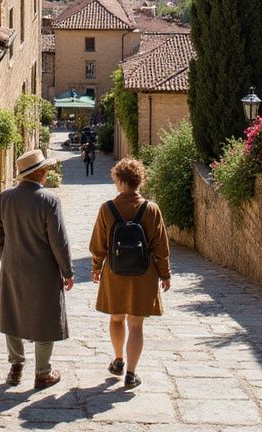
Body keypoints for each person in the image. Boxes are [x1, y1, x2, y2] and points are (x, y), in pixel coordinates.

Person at [0, 148, 74, 390]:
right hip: (44, 269)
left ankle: (16, 366)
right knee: (45, 316)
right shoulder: (49, 201)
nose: (47, 173)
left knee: (12, 313)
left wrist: (7, 255)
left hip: (12, 267)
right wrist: (67, 272)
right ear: (39, 173)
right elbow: (59, 240)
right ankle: (43, 372)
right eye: (45, 169)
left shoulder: (5, 198)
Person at [89, 157, 171, 390]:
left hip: (114, 273)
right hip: (144, 274)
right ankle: (131, 374)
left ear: (120, 180)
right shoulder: (151, 209)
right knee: (136, 324)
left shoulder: (107, 209)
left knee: (116, 317)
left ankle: (118, 360)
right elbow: (161, 247)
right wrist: (165, 274)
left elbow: (98, 246)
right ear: (138, 181)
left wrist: (96, 268)